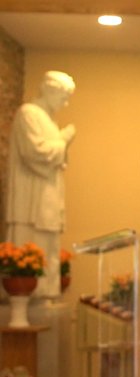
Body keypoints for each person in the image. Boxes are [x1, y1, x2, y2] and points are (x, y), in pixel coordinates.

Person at [5, 70, 76, 299]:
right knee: (30, 249)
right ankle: (28, 300)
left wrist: (60, 143)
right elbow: (35, 153)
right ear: (49, 90)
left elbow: (55, 159)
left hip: (49, 198)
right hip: (31, 201)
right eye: (63, 97)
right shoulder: (29, 114)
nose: (65, 103)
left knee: (48, 252)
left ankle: (45, 296)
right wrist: (63, 140)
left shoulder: (49, 121)